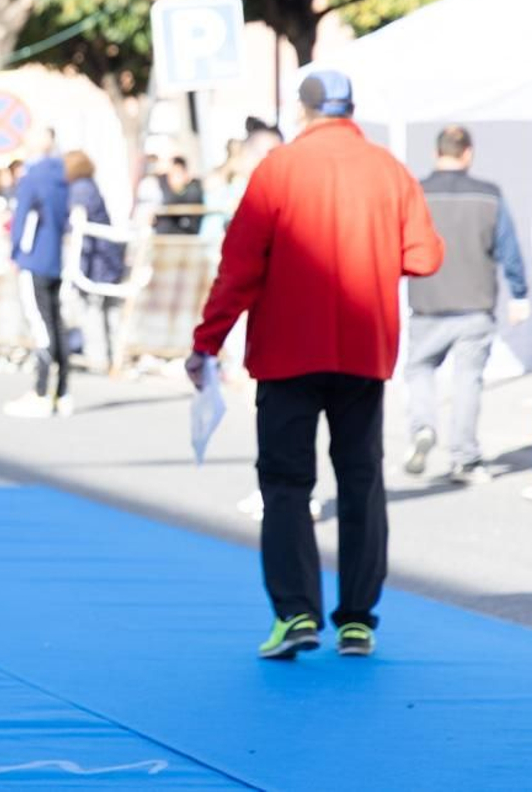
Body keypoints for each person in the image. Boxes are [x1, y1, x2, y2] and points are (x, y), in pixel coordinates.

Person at [187, 69, 443, 661]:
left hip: (286, 355)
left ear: (303, 112)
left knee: (285, 485)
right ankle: (357, 621)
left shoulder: (278, 170)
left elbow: (240, 267)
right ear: (351, 108)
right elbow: (425, 256)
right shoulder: (389, 170)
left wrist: (207, 342)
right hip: (362, 351)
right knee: (361, 483)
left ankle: (296, 613)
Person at [403, 126, 532, 484]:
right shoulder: (488, 196)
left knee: (420, 369)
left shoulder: (417, 193)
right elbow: (508, 250)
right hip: (475, 303)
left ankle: (423, 426)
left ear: (436, 153)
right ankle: (465, 458)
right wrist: (519, 294)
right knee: (467, 380)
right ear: (468, 153)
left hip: (427, 300)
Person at [3, 128, 72, 418]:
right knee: (56, 322)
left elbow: (21, 218)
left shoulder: (32, 176)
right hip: (55, 256)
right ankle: (62, 392)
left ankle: (42, 392)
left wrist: (16, 252)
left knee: (41, 325)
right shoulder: (62, 176)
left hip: (33, 258)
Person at [64, 150, 127, 372]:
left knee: (92, 309)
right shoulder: (90, 186)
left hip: (95, 261)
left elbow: (78, 222)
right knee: (108, 311)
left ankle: (98, 358)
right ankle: (114, 357)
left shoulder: (80, 189)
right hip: (106, 258)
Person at [153, 156, 204, 235]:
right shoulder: (162, 188)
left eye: (177, 174)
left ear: (185, 174)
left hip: (186, 236)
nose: (172, 179)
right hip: (167, 238)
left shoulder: (193, 191)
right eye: (170, 175)